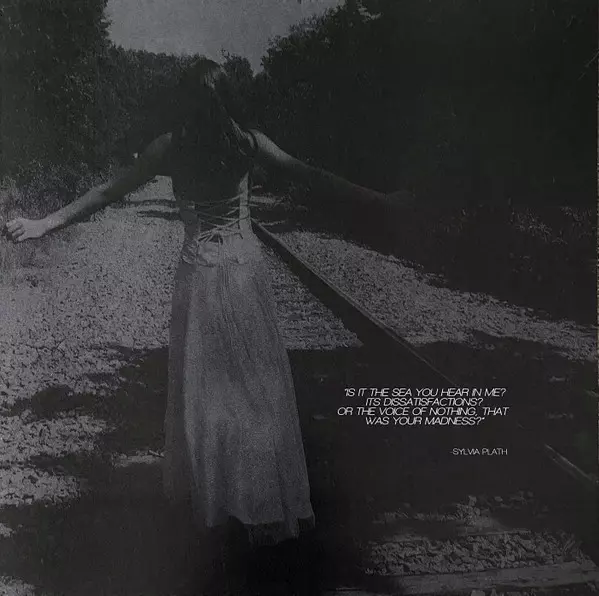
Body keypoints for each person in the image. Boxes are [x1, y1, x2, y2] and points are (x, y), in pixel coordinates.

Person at [4, 58, 405, 594]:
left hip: (199, 277)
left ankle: (217, 503)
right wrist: (382, 201)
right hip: (244, 275)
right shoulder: (249, 143)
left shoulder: (169, 148)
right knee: (256, 392)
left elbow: (105, 193)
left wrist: (44, 224)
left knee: (206, 394)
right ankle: (258, 500)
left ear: (183, 101)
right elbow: (313, 176)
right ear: (227, 97)